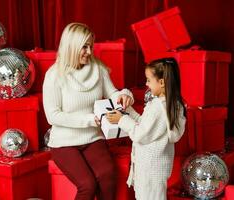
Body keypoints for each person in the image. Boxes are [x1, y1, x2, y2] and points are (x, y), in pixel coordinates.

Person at [42, 22, 134, 200]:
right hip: (64, 142)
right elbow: (52, 116)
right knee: (87, 185)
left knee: (107, 176)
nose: (90, 52)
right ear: (71, 46)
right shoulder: (54, 75)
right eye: (84, 47)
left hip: (92, 137)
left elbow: (112, 93)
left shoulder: (98, 68)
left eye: (91, 46)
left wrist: (123, 95)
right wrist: (90, 120)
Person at [106, 57, 186, 200]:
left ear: (161, 82)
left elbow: (140, 134)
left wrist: (122, 119)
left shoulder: (157, 107)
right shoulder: (169, 104)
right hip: (155, 170)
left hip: (150, 170)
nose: (146, 83)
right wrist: (128, 111)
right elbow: (145, 125)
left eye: (149, 80)